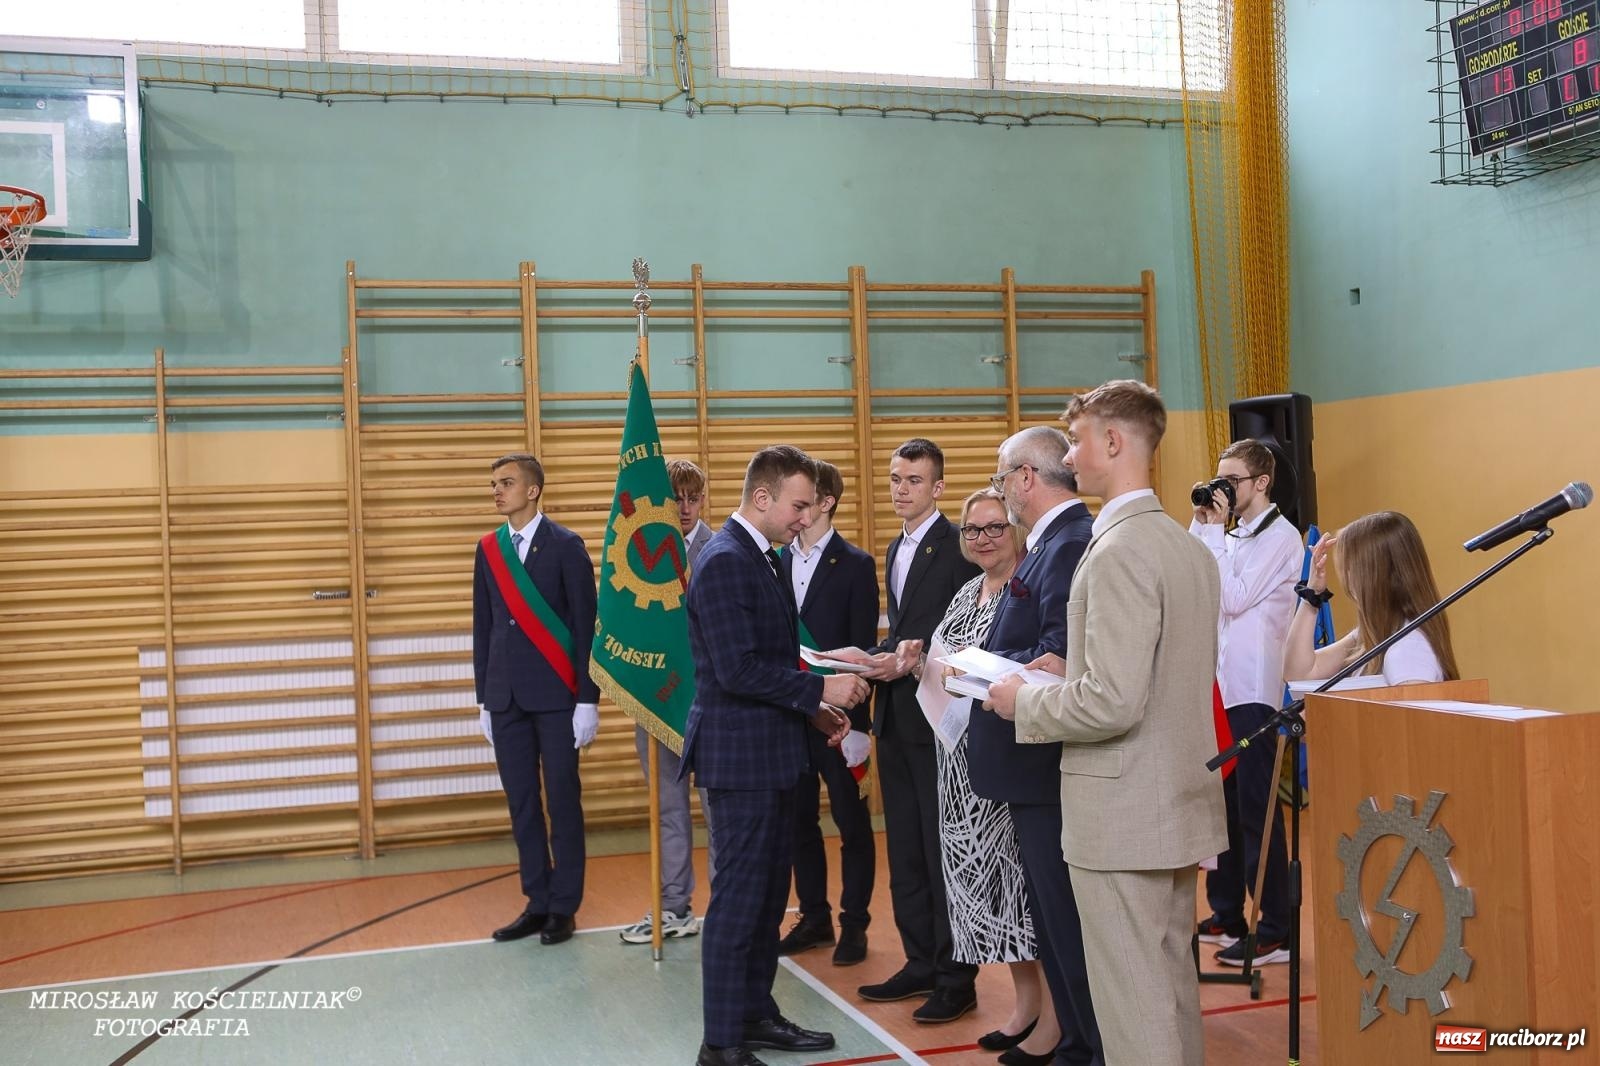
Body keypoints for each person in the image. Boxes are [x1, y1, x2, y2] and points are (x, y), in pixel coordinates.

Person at [986, 380, 1226, 1066]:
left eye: (1079, 438)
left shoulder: (1118, 550)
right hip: (1173, 799)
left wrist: (1021, 701)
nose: (1071, 453)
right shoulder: (1183, 545)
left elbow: (1112, 702)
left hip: (1123, 812)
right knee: (1170, 991)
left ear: (1114, 442)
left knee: (1133, 1006)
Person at [680, 445, 870, 1066]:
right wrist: (820, 688)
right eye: (797, 505)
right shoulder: (726, 562)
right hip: (741, 761)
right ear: (762, 498)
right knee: (738, 903)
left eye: (810, 507)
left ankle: (754, 1014)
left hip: (774, 752)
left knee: (765, 900)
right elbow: (736, 669)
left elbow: (769, 658)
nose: (804, 518)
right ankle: (721, 1042)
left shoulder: (763, 557)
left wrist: (811, 711)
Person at [832, 437, 981, 1024]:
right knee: (908, 851)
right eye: (895, 478)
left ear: (938, 488)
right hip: (897, 714)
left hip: (940, 717)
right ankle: (921, 959)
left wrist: (913, 659)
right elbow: (903, 635)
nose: (901, 489)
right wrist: (868, 657)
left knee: (943, 851)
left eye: (914, 480)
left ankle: (955, 975)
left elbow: (968, 631)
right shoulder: (895, 545)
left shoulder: (959, 548)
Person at [972, 429, 1102, 1066]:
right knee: (1052, 917)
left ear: (1025, 478)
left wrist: (981, 667)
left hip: (1046, 759)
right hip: (1029, 759)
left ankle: (1086, 1046)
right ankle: (1073, 1037)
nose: (1003, 492)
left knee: (1065, 916)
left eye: (1003, 480)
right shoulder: (1052, 541)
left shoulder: (1070, 541)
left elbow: (1061, 654)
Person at [928, 488, 1068, 1065]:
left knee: (1031, 894)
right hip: (959, 762)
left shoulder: (1029, 587)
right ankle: (1025, 1003)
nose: (983, 539)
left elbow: (1040, 662)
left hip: (1015, 755)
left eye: (994, 527)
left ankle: (1058, 1020)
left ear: (1015, 529)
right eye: (972, 531)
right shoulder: (964, 592)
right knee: (990, 895)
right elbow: (945, 658)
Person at [473, 452, 600, 947]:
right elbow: (483, 627)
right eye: (493, 484)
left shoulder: (566, 546)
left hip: (556, 698)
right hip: (506, 698)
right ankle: (537, 901)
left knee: (564, 802)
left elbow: (584, 627)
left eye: (506, 482)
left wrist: (586, 700)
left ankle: (564, 906)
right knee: (522, 803)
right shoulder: (488, 550)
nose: (497, 491)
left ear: (533, 490)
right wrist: (484, 697)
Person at [1189, 439, 1304, 969]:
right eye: (1220, 478)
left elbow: (1232, 598)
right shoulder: (1227, 533)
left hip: (1254, 689)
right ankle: (1227, 911)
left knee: (1258, 812)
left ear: (1260, 483)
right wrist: (1203, 526)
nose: (1223, 489)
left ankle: (1277, 927)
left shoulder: (1282, 538)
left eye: (1232, 481)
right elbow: (1197, 583)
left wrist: (1213, 535)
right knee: (1222, 808)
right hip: (1216, 686)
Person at [775, 460, 879, 966]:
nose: (796, 506)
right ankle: (813, 916)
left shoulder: (855, 564)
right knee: (798, 821)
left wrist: (857, 725)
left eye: (803, 498)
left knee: (851, 821)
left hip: (839, 721)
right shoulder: (774, 561)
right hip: (792, 713)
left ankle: (854, 922)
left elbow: (860, 653)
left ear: (826, 501)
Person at [619, 457, 716, 946]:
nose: (683, 507)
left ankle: (726, 909)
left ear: (703, 499)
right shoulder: (642, 553)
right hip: (657, 701)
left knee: (717, 808)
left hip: (713, 703)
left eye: (692, 497)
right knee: (669, 810)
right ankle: (673, 905)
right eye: (674, 497)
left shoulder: (721, 548)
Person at [1282, 510, 1460, 686]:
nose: (1345, 576)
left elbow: (1414, 715)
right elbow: (1298, 673)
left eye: (1348, 566)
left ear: (1369, 574)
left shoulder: (1407, 649)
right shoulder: (1376, 633)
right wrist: (1312, 594)